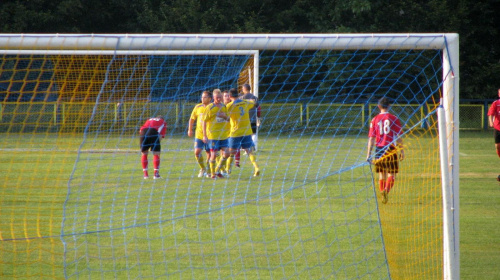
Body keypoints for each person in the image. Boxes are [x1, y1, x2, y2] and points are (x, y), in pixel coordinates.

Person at [366, 97, 404, 204]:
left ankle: (382, 192)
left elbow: (371, 138)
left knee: (381, 174)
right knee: (391, 174)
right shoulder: (394, 118)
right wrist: (402, 151)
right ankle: (386, 191)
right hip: (390, 148)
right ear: (389, 106)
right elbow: (398, 136)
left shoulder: (374, 119)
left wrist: (368, 154)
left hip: (379, 149)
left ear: (379, 106)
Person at [225, 88, 260, 176]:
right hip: (246, 131)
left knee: (231, 152)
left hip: (235, 132)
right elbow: (255, 102)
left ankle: (228, 169)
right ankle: (256, 167)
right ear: (238, 95)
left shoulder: (229, 105)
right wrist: (249, 100)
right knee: (249, 151)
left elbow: (224, 116)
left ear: (230, 96)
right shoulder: (245, 102)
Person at [202, 89, 230, 179]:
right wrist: (204, 135)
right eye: (217, 97)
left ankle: (217, 170)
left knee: (227, 154)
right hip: (213, 135)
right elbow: (204, 121)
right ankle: (213, 174)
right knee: (213, 155)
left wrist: (223, 116)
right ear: (213, 97)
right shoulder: (209, 107)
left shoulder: (223, 106)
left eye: (220, 97)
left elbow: (228, 118)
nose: (219, 99)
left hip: (223, 135)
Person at [188, 91, 211, 178]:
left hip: (210, 134)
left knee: (209, 153)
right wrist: (190, 129)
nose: (202, 98)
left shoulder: (212, 107)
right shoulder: (198, 107)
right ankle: (203, 168)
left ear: (209, 98)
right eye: (202, 97)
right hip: (199, 134)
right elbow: (192, 119)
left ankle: (209, 169)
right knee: (197, 152)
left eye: (204, 97)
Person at [240, 83, 261, 152]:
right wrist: (259, 117)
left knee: (245, 134)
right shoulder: (255, 97)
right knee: (253, 133)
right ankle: (253, 146)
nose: (242, 89)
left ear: (245, 89)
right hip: (253, 119)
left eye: (242, 88)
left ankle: (247, 148)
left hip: (244, 119)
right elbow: (259, 108)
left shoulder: (242, 98)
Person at [488, 88, 500, 160]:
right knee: (497, 146)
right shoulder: (496, 103)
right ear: (499, 94)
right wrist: (490, 122)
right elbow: (490, 114)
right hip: (498, 127)